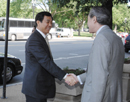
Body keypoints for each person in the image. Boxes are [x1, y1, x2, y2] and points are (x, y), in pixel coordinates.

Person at [71, 6, 124, 102]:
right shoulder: (116, 38)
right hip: (113, 95)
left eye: (88, 19)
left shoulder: (101, 39)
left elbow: (99, 77)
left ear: (94, 19)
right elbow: (104, 70)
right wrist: (78, 78)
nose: (87, 24)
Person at [22, 11, 78, 102]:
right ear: (38, 22)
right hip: (35, 89)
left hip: (40, 88)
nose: (50, 25)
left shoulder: (41, 37)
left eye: (51, 22)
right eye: (47, 22)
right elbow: (45, 61)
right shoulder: (34, 40)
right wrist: (65, 76)